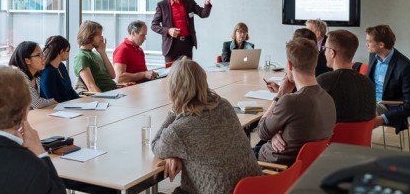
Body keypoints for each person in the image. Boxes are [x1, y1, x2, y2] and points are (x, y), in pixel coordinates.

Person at [151, 58, 261, 194]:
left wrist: (175, 110)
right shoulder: (224, 105)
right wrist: (176, 152)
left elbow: (156, 144)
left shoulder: (178, 131)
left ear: (173, 89)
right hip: (256, 188)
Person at [257, 37, 336, 166]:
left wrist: (280, 93)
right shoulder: (328, 98)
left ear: (289, 65)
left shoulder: (290, 101)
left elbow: (261, 131)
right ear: (315, 63)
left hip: (273, 167)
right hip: (307, 168)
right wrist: (274, 133)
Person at [365, 25, 410, 132]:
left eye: (369, 41)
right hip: (371, 102)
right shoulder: (373, 55)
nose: (366, 44)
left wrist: (382, 119)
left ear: (381, 44)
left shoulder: (405, 67)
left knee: (353, 117)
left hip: (388, 107)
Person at [317, 29, 376, 123]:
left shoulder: (324, 81)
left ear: (332, 53)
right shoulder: (369, 84)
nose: (324, 52)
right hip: (360, 137)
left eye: (325, 48)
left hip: (333, 137)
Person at [151, 0, 212, 64]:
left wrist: (207, 4)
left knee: (187, 72)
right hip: (171, 45)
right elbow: (154, 26)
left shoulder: (189, 1)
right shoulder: (162, 5)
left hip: (187, 44)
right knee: (171, 73)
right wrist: (168, 30)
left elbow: (203, 14)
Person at [9, 41, 56, 109]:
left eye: (42, 53)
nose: (43, 57)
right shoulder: (20, 76)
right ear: (27, 61)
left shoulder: (36, 76)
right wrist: (50, 102)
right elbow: (36, 104)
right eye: (38, 55)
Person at [74, 21, 116, 93]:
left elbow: (113, 75)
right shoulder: (81, 57)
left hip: (113, 90)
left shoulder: (95, 54)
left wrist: (103, 53)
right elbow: (91, 87)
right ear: (89, 36)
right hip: (105, 95)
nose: (102, 38)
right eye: (99, 35)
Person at [40, 35, 79, 103]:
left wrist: (81, 101)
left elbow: (70, 90)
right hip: (56, 110)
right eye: (68, 50)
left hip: (69, 106)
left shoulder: (61, 66)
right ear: (61, 52)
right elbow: (53, 100)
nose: (69, 53)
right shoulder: (48, 72)